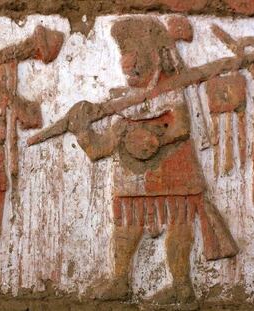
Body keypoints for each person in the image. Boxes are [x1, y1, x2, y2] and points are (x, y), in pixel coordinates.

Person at [68, 16, 238, 303]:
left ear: (150, 58)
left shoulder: (171, 87)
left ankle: (182, 287)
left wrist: (151, 137)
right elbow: (100, 149)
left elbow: (181, 126)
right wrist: (83, 132)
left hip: (174, 165)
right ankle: (121, 279)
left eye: (135, 64)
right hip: (134, 174)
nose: (130, 71)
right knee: (127, 226)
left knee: (179, 224)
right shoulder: (121, 99)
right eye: (127, 65)